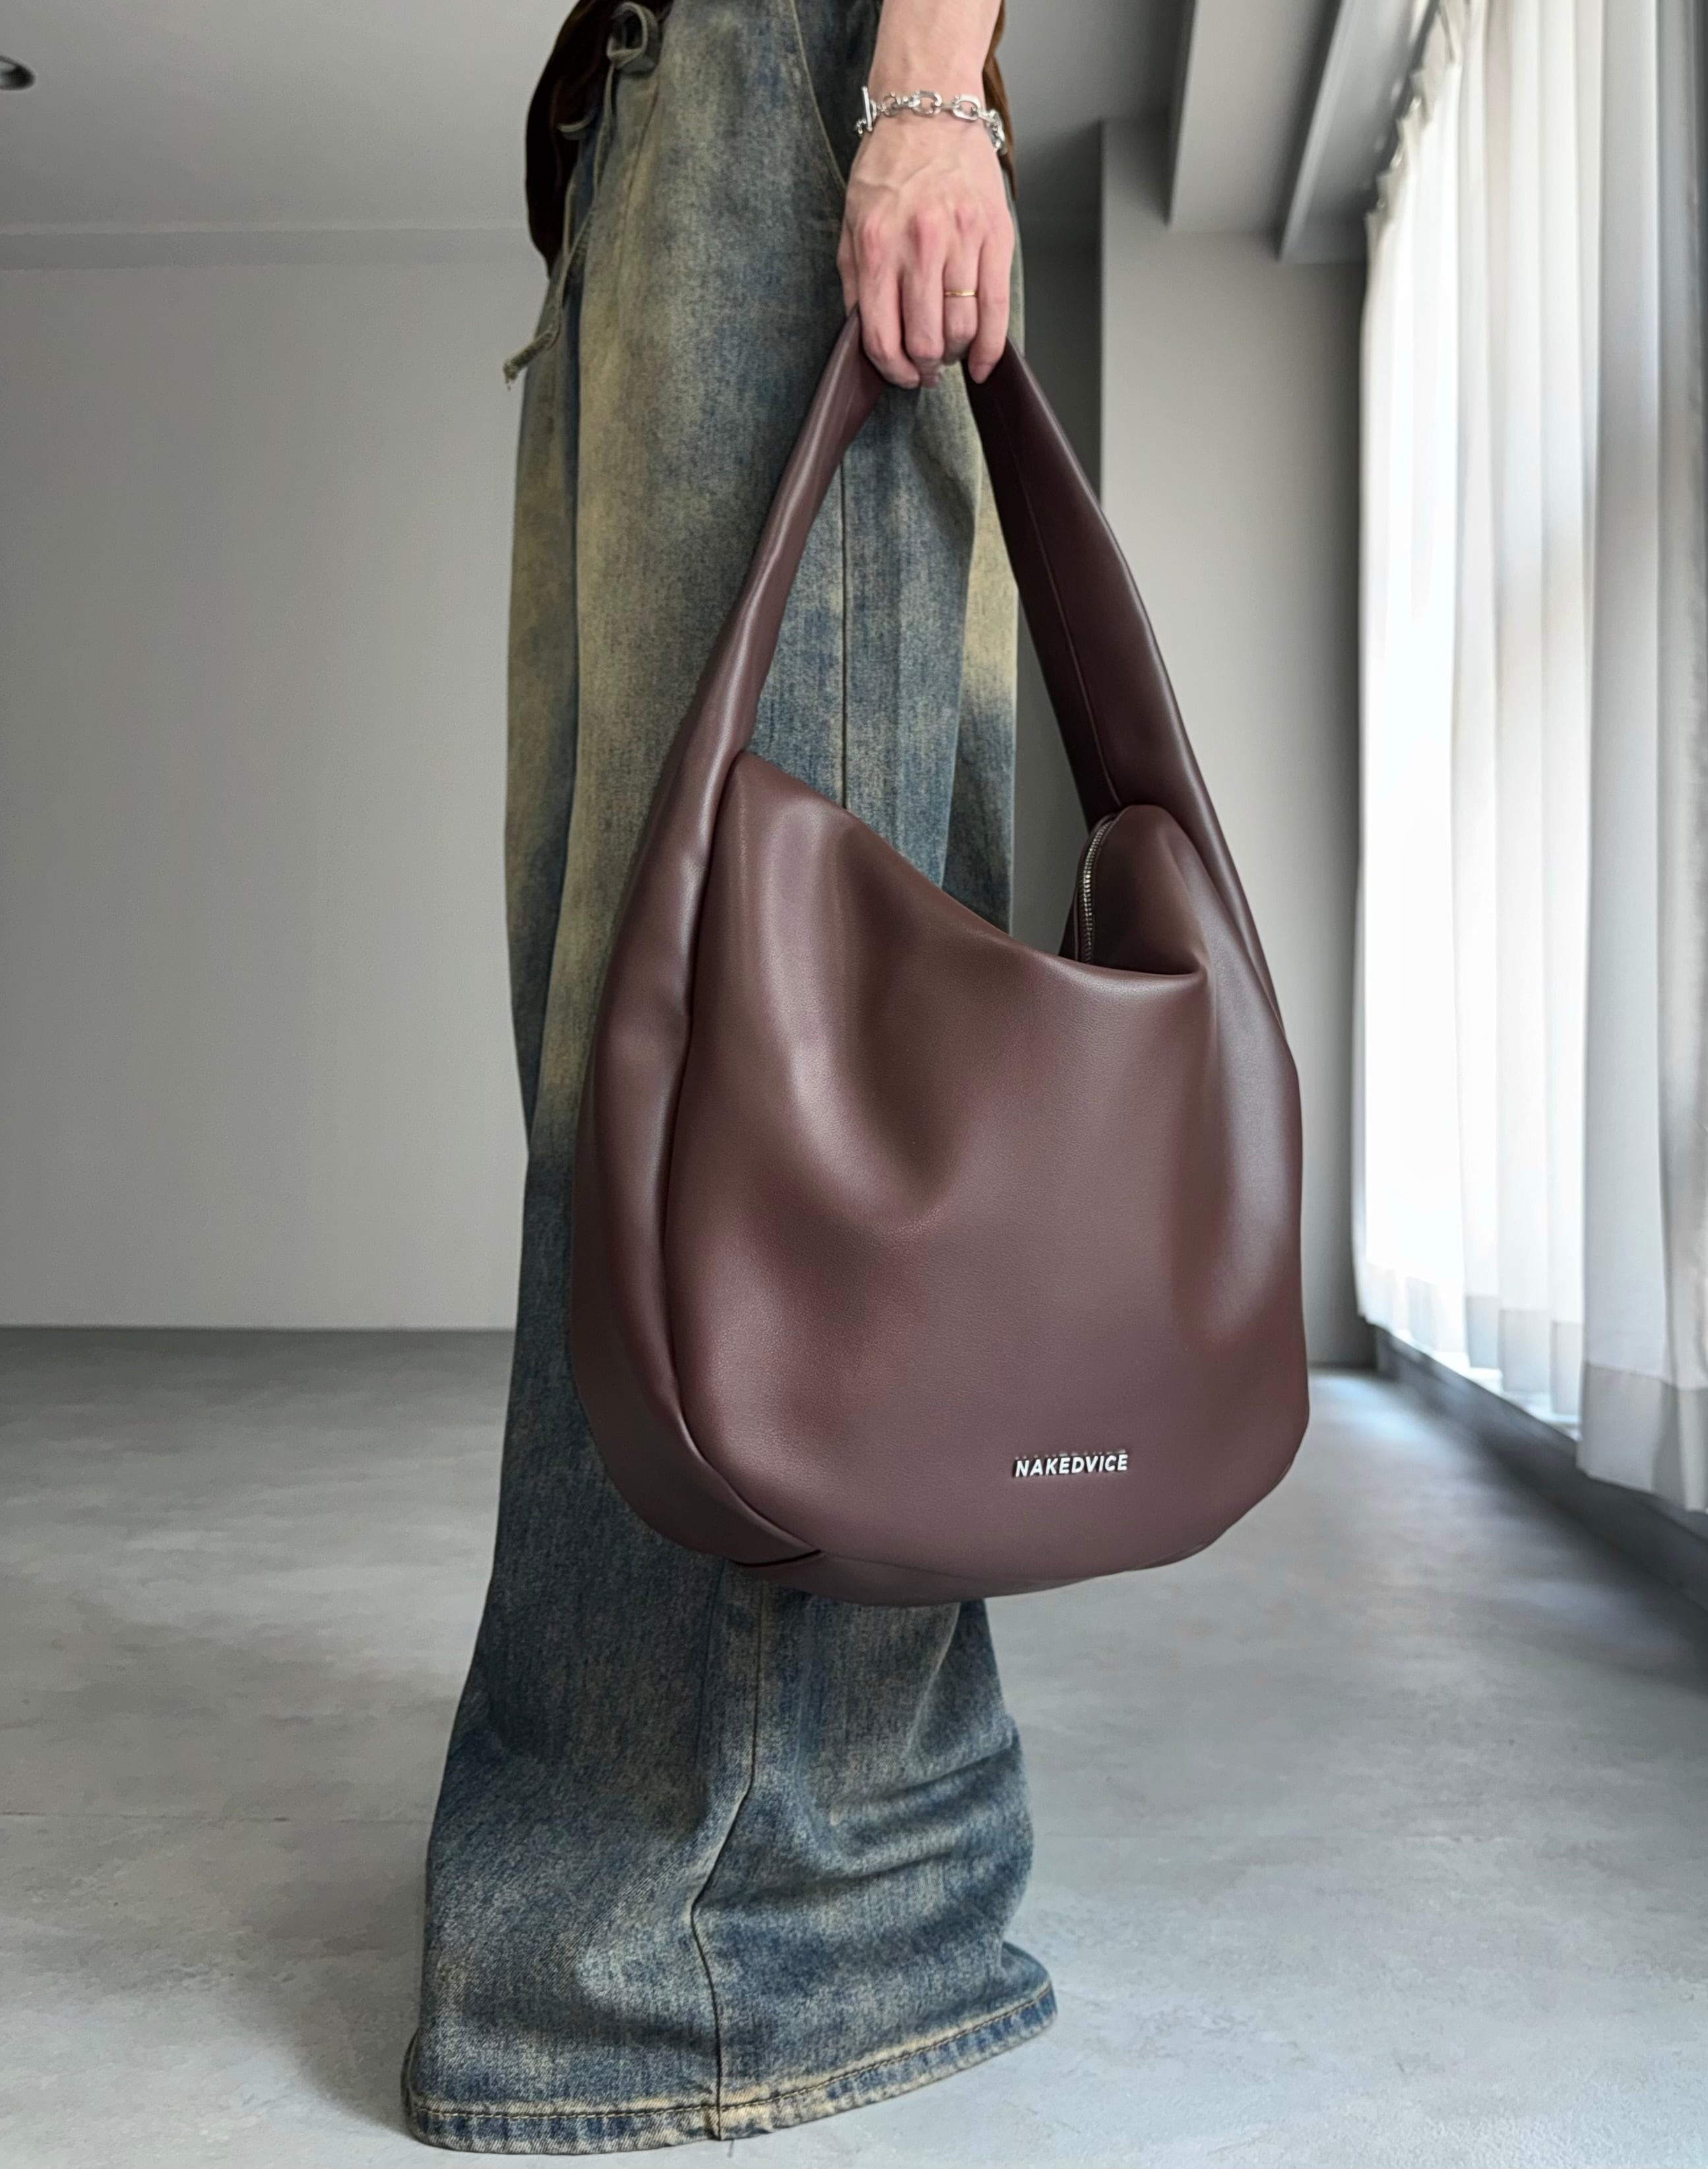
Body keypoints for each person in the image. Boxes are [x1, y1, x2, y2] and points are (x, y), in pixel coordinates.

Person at [404, 1, 1050, 2151]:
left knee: (768, 1063)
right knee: (629, 1043)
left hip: (804, 70)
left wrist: (927, 83)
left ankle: (767, 1932)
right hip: (646, 112)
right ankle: (629, 1845)